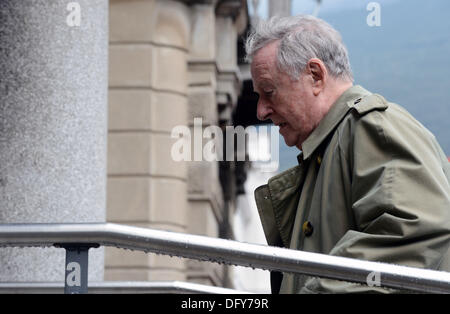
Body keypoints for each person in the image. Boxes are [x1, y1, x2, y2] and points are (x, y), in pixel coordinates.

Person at [245, 15, 450, 294]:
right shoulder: (335, 145)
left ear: (315, 76)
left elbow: (416, 232)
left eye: (269, 92)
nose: (261, 111)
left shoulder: (371, 126)